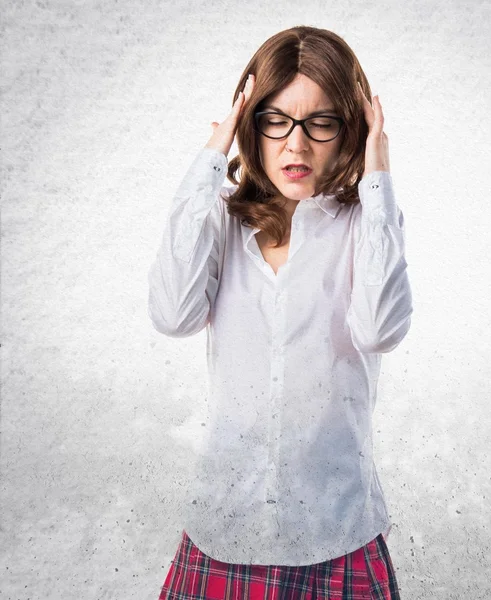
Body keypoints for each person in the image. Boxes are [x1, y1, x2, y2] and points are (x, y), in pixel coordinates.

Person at [148, 25, 413, 600]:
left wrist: (379, 183)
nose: (296, 146)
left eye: (321, 122)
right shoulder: (220, 220)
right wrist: (210, 159)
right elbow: (173, 314)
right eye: (275, 120)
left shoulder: (365, 227)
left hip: (334, 530)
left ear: (352, 130)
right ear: (251, 124)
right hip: (227, 524)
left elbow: (381, 328)